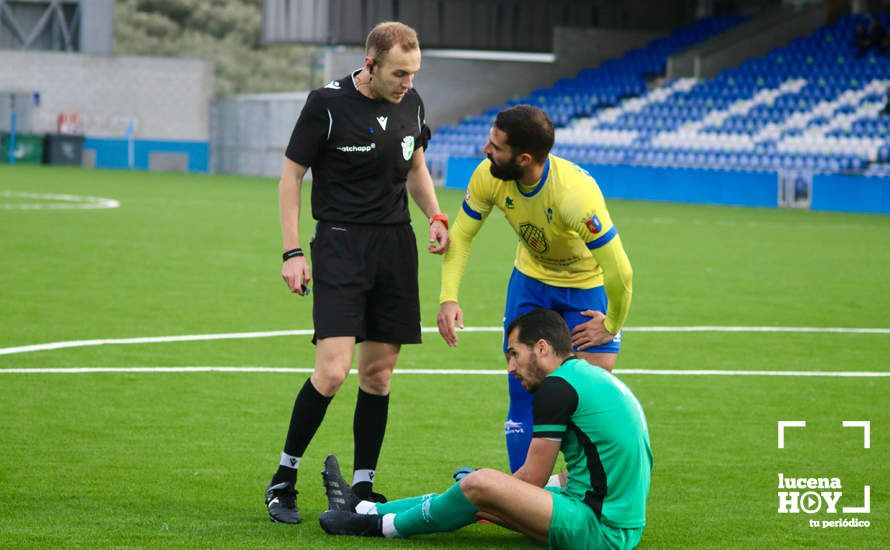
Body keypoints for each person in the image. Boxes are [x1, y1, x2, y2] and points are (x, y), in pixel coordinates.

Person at [266, 21, 450, 524]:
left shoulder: (412, 103)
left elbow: (415, 166)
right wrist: (291, 252)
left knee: (379, 373)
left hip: (395, 247)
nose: (407, 82)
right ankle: (284, 478)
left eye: (413, 73)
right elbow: (290, 177)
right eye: (398, 73)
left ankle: (364, 486)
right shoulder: (325, 105)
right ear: (370, 65)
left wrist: (434, 215)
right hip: (341, 244)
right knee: (332, 371)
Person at [319, 308, 653, 550]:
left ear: (541, 347)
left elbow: (532, 480)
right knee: (479, 491)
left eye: (514, 354)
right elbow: (579, 475)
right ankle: (363, 507)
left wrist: (491, 484)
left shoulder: (558, 388)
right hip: (618, 525)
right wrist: (495, 489)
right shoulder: (587, 378)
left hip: (600, 531)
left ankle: (378, 527)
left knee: (480, 484)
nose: (510, 367)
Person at [436, 105, 633, 473]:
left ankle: (575, 488)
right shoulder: (489, 176)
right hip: (531, 281)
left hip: (583, 287)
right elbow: (461, 235)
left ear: (524, 159)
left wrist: (612, 323)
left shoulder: (574, 195)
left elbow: (619, 270)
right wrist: (449, 297)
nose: (485, 150)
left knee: (589, 393)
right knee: (521, 381)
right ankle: (520, 493)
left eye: (496, 146)